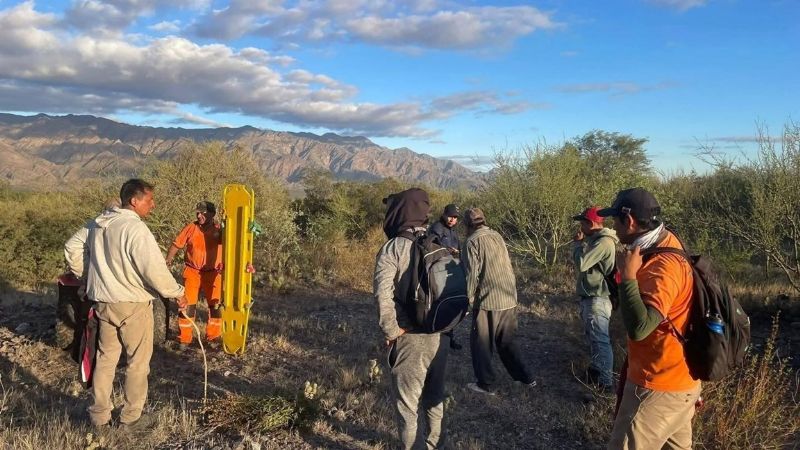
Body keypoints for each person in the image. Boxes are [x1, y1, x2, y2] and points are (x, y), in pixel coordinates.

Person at [66, 179, 187, 430]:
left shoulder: (98, 223)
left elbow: (71, 246)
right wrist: (177, 292)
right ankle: (131, 418)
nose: (153, 205)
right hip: (133, 305)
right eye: (149, 200)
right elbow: (154, 269)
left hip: (103, 303)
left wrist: (86, 276)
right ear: (134, 201)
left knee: (105, 360)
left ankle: (99, 416)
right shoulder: (135, 228)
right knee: (137, 363)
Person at [598, 188, 700, 450]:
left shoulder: (663, 266)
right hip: (679, 382)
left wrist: (628, 277)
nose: (613, 227)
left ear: (629, 221)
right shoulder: (665, 241)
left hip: (657, 387)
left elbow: (640, 328)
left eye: (615, 220)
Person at [373, 188, 448, 450]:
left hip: (409, 338)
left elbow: (383, 295)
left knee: (407, 408)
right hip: (439, 335)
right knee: (435, 398)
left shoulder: (393, 248)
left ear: (399, 212)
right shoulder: (438, 243)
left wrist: (392, 331)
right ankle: (434, 445)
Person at [461, 208, 535, 395]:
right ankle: (526, 378)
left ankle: (485, 384)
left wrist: (467, 300)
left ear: (467, 225)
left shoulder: (472, 241)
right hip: (508, 296)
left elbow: (472, 275)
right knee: (507, 342)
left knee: (481, 344)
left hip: (488, 301)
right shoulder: (497, 235)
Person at [571, 206, 618, 390]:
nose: (581, 227)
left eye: (583, 223)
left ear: (591, 223)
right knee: (594, 338)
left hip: (598, 298)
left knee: (600, 341)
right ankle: (596, 373)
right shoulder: (596, 240)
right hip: (593, 297)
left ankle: (605, 384)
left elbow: (582, 264)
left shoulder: (603, 242)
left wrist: (577, 245)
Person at [165, 201, 223, 347]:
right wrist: (168, 260)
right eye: (197, 213)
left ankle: (213, 337)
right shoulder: (191, 228)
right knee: (187, 304)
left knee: (215, 305)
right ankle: (184, 338)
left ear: (212, 214)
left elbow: (233, 246)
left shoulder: (220, 230)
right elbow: (176, 244)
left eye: (203, 213)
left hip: (213, 273)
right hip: (192, 272)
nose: (199, 216)